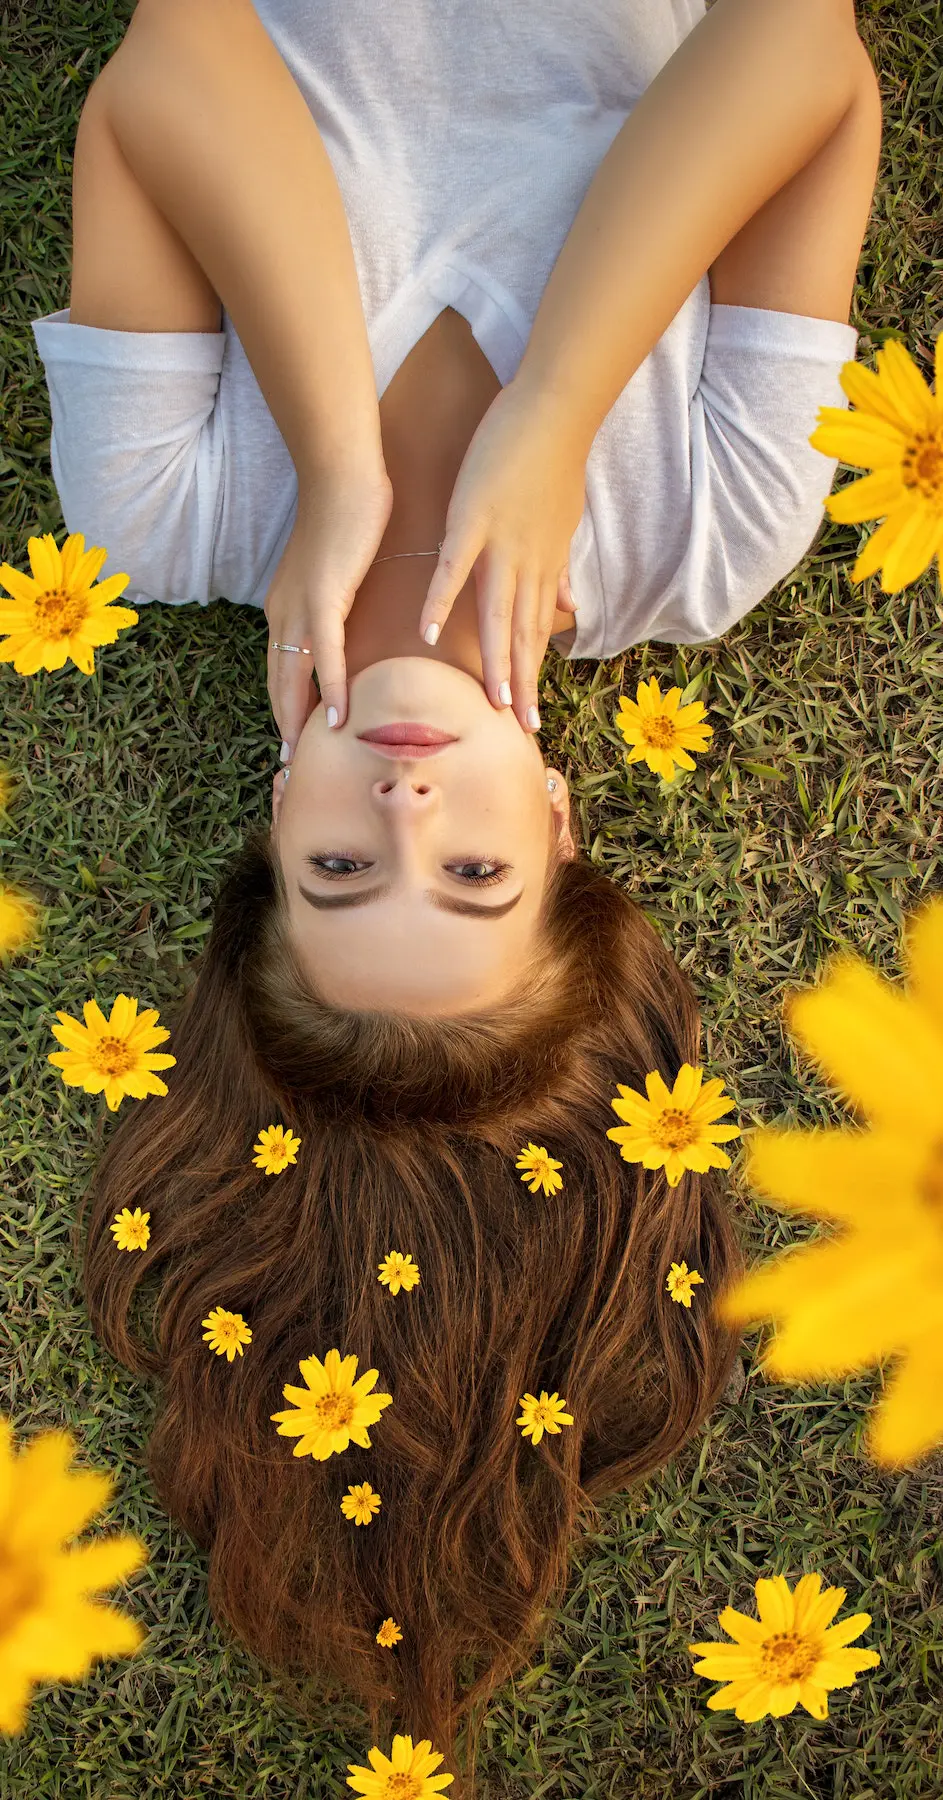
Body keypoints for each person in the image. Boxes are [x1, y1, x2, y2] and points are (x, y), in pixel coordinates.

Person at [28, 0, 882, 1786]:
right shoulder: (707, 539)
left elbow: (172, 54)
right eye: (475, 872)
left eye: (343, 869)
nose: (406, 800)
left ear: (272, 827)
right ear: (564, 826)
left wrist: (333, 458)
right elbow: (806, 46)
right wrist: (557, 417)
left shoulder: (163, 514)